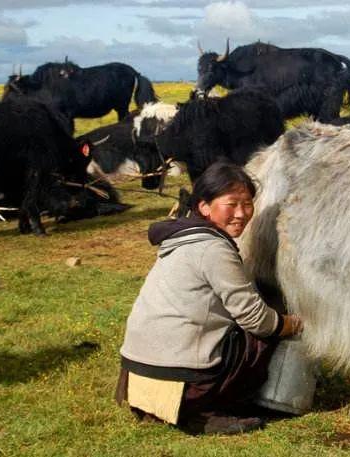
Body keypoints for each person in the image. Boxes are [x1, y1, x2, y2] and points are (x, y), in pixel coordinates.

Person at [116, 161, 303, 434]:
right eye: (232, 204)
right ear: (204, 206)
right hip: (182, 380)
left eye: (248, 203)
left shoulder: (182, 239)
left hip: (139, 372)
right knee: (262, 335)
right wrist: (294, 323)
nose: (242, 213)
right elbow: (257, 320)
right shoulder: (213, 248)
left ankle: (178, 408)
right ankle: (205, 411)